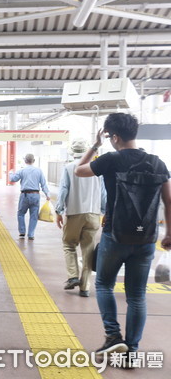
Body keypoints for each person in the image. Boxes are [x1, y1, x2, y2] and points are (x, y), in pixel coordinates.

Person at [75, 113, 171, 361]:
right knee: (137, 295)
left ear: (114, 136)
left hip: (114, 236)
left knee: (104, 284)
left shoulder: (110, 159)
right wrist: (169, 233)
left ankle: (113, 336)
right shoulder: (158, 163)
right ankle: (132, 351)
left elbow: (79, 171)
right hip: (146, 239)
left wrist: (95, 145)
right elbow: (168, 199)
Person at [55, 139, 106, 297]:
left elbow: (64, 189)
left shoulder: (70, 167)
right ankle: (84, 288)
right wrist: (104, 211)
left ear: (72, 152)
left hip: (74, 212)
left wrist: (58, 210)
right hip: (94, 214)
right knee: (88, 250)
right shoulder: (98, 168)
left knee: (69, 244)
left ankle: (72, 277)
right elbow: (104, 193)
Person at [9, 153, 50, 240]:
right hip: (35, 195)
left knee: (21, 213)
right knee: (34, 215)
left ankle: (22, 232)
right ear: (34, 161)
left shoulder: (22, 170)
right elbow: (43, 184)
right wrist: (47, 194)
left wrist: (10, 173)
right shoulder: (39, 171)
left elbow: (13, 179)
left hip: (25, 195)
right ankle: (31, 234)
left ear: (25, 161)